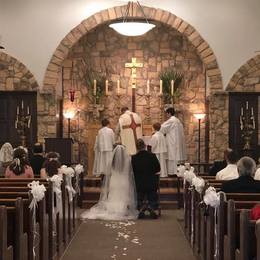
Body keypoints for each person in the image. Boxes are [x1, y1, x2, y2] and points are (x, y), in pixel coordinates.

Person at [81, 145, 138, 221]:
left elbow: (107, 173)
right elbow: (130, 172)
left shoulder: (111, 161)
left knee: (114, 195)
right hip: (124, 181)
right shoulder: (128, 160)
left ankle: (113, 209)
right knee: (123, 195)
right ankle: (123, 209)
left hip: (114, 181)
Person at [132, 139, 161, 219]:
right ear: (145, 146)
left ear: (137, 148)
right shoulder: (152, 156)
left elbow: (132, 171)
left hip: (139, 184)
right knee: (152, 193)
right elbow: (158, 168)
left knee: (139, 194)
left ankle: (140, 207)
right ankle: (153, 207)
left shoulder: (134, 158)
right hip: (151, 183)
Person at [160, 107, 186, 176]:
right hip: (177, 142)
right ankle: (177, 171)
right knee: (175, 156)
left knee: (172, 156)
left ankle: (172, 172)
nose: (166, 115)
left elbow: (162, 128)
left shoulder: (171, 120)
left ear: (169, 113)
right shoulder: (178, 120)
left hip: (172, 142)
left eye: (166, 113)